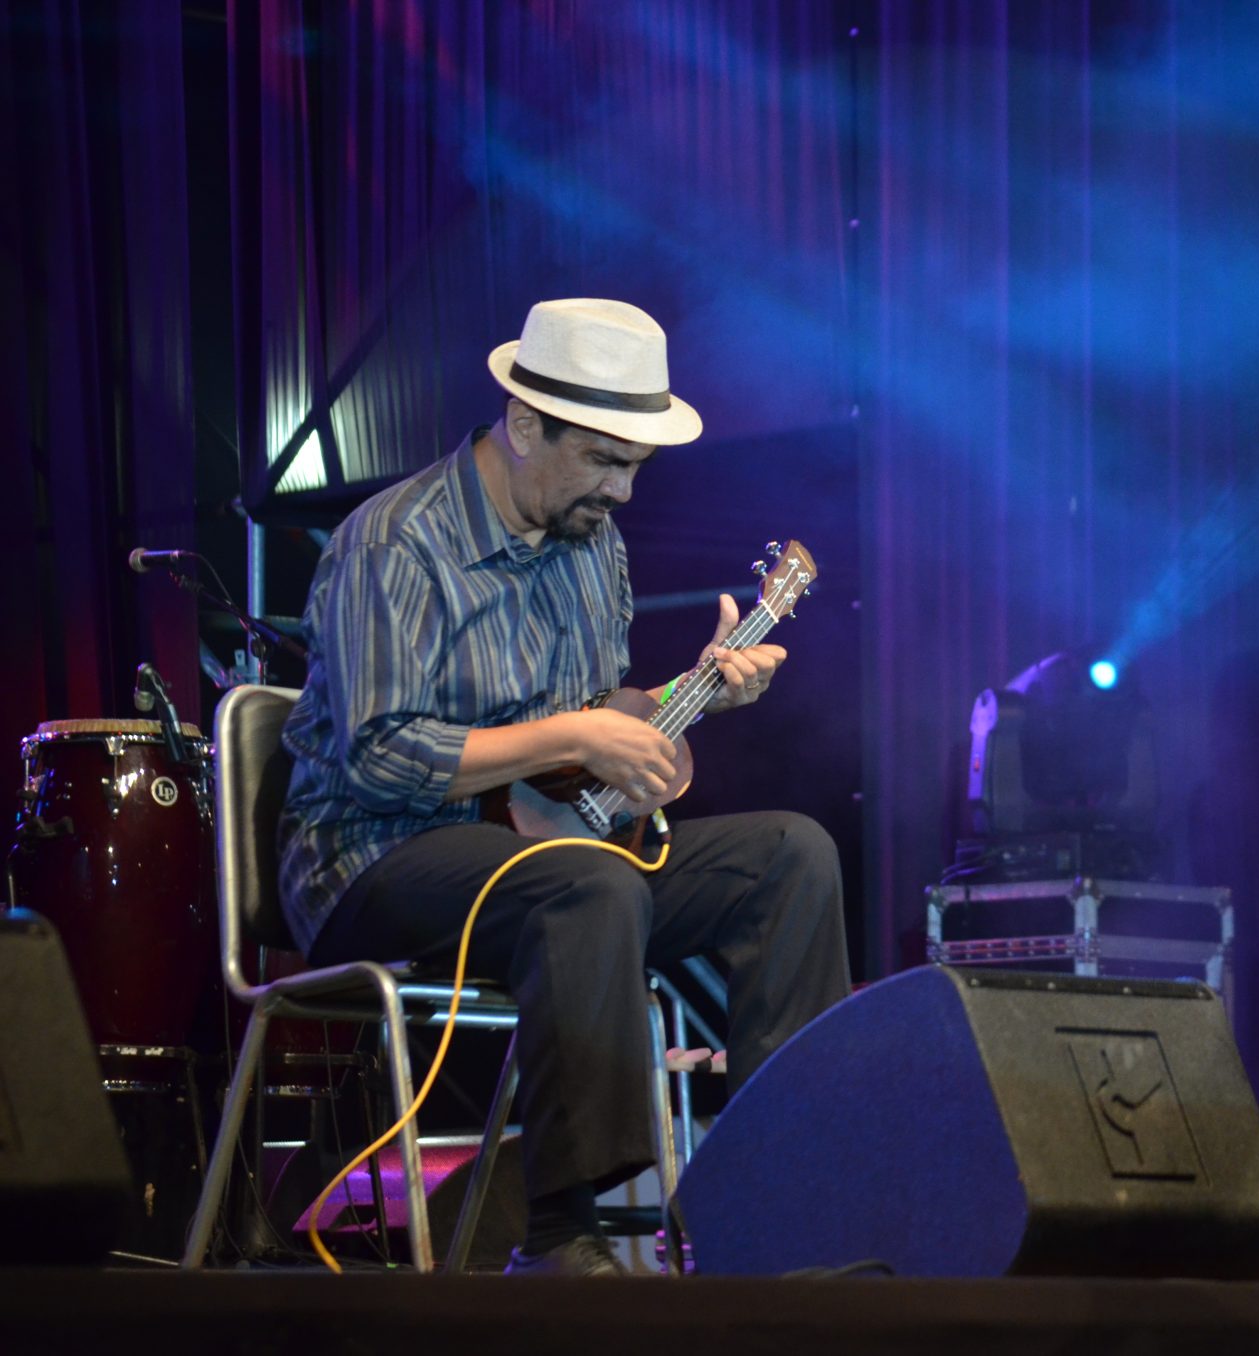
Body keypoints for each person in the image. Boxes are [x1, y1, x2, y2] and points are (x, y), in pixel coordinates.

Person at [277, 298, 851, 1276]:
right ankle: (562, 1236)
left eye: (636, 466)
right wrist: (576, 731)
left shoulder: (592, 546)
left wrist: (690, 697)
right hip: (376, 861)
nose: (622, 491)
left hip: (548, 853)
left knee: (792, 856)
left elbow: (589, 720)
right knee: (590, 888)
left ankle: (778, 1201)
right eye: (602, 459)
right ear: (526, 423)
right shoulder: (395, 541)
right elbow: (377, 757)